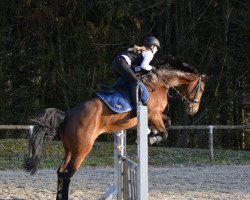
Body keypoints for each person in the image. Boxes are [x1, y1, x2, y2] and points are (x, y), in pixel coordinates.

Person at [110, 36, 160, 115]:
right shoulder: (149, 52)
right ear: (152, 46)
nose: (157, 50)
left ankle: (120, 104)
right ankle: (137, 109)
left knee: (125, 83)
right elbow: (144, 66)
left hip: (115, 64)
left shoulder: (142, 51)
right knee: (136, 82)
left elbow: (135, 69)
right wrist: (152, 67)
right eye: (156, 47)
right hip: (122, 63)